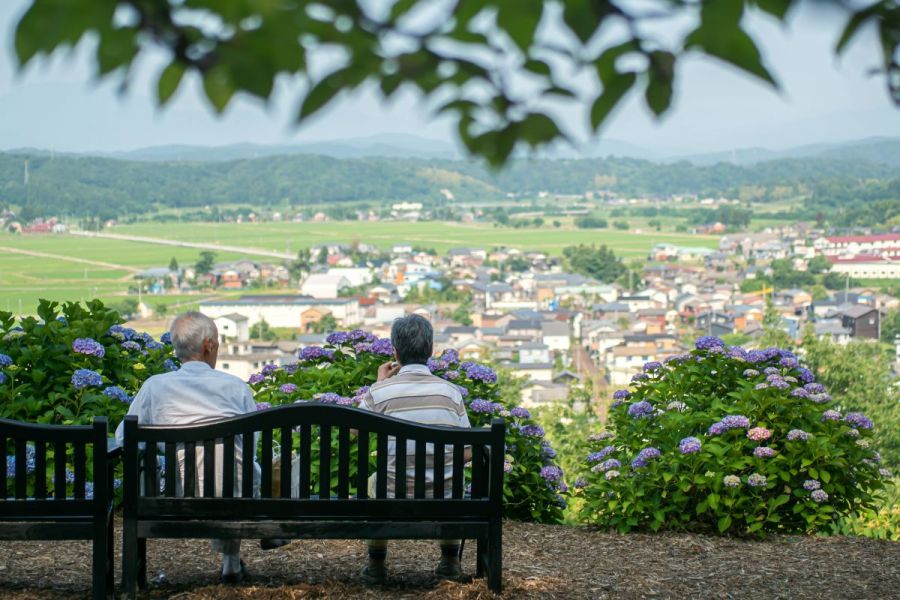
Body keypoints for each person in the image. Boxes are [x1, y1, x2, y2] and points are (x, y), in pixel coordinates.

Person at [115, 312, 261, 583]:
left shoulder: (154, 387)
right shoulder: (235, 387)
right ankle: (230, 562)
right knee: (238, 467)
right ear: (208, 345)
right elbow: (252, 446)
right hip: (234, 493)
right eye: (216, 342)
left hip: (179, 492)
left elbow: (124, 437)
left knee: (215, 468)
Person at [357, 314, 472, 584]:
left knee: (375, 482)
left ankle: (376, 565)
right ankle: (450, 562)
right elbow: (467, 451)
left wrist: (380, 384)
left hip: (393, 493)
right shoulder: (450, 393)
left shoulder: (381, 393)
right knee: (452, 480)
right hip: (444, 496)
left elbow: (353, 431)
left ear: (395, 352)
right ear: (431, 350)